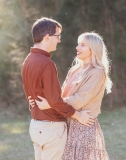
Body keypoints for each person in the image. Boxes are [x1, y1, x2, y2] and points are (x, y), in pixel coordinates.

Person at [21, 17, 95, 160]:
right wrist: (79, 116)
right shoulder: (47, 63)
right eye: (57, 36)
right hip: (51, 129)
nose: (59, 40)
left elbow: (30, 94)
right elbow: (55, 100)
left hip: (36, 126)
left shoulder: (28, 60)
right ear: (47, 37)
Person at [30, 32, 112, 160]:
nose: (77, 47)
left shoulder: (97, 72)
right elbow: (61, 95)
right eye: (78, 44)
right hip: (66, 121)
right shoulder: (74, 70)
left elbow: (80, 99)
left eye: (83, 45)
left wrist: (51, 103)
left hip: (82, 126)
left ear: (93, 49)